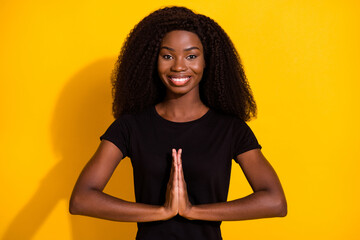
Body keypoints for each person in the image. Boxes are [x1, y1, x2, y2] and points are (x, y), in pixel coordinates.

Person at [69, 6, 287, 240]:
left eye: (191, 56)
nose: (179, 66)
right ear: (153, 60)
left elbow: (275, 201)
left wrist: (192, 211)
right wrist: (162, 211)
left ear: (206, 61)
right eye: (167, 56)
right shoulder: (130, 127)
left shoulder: (230, 130)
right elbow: (82, 199)